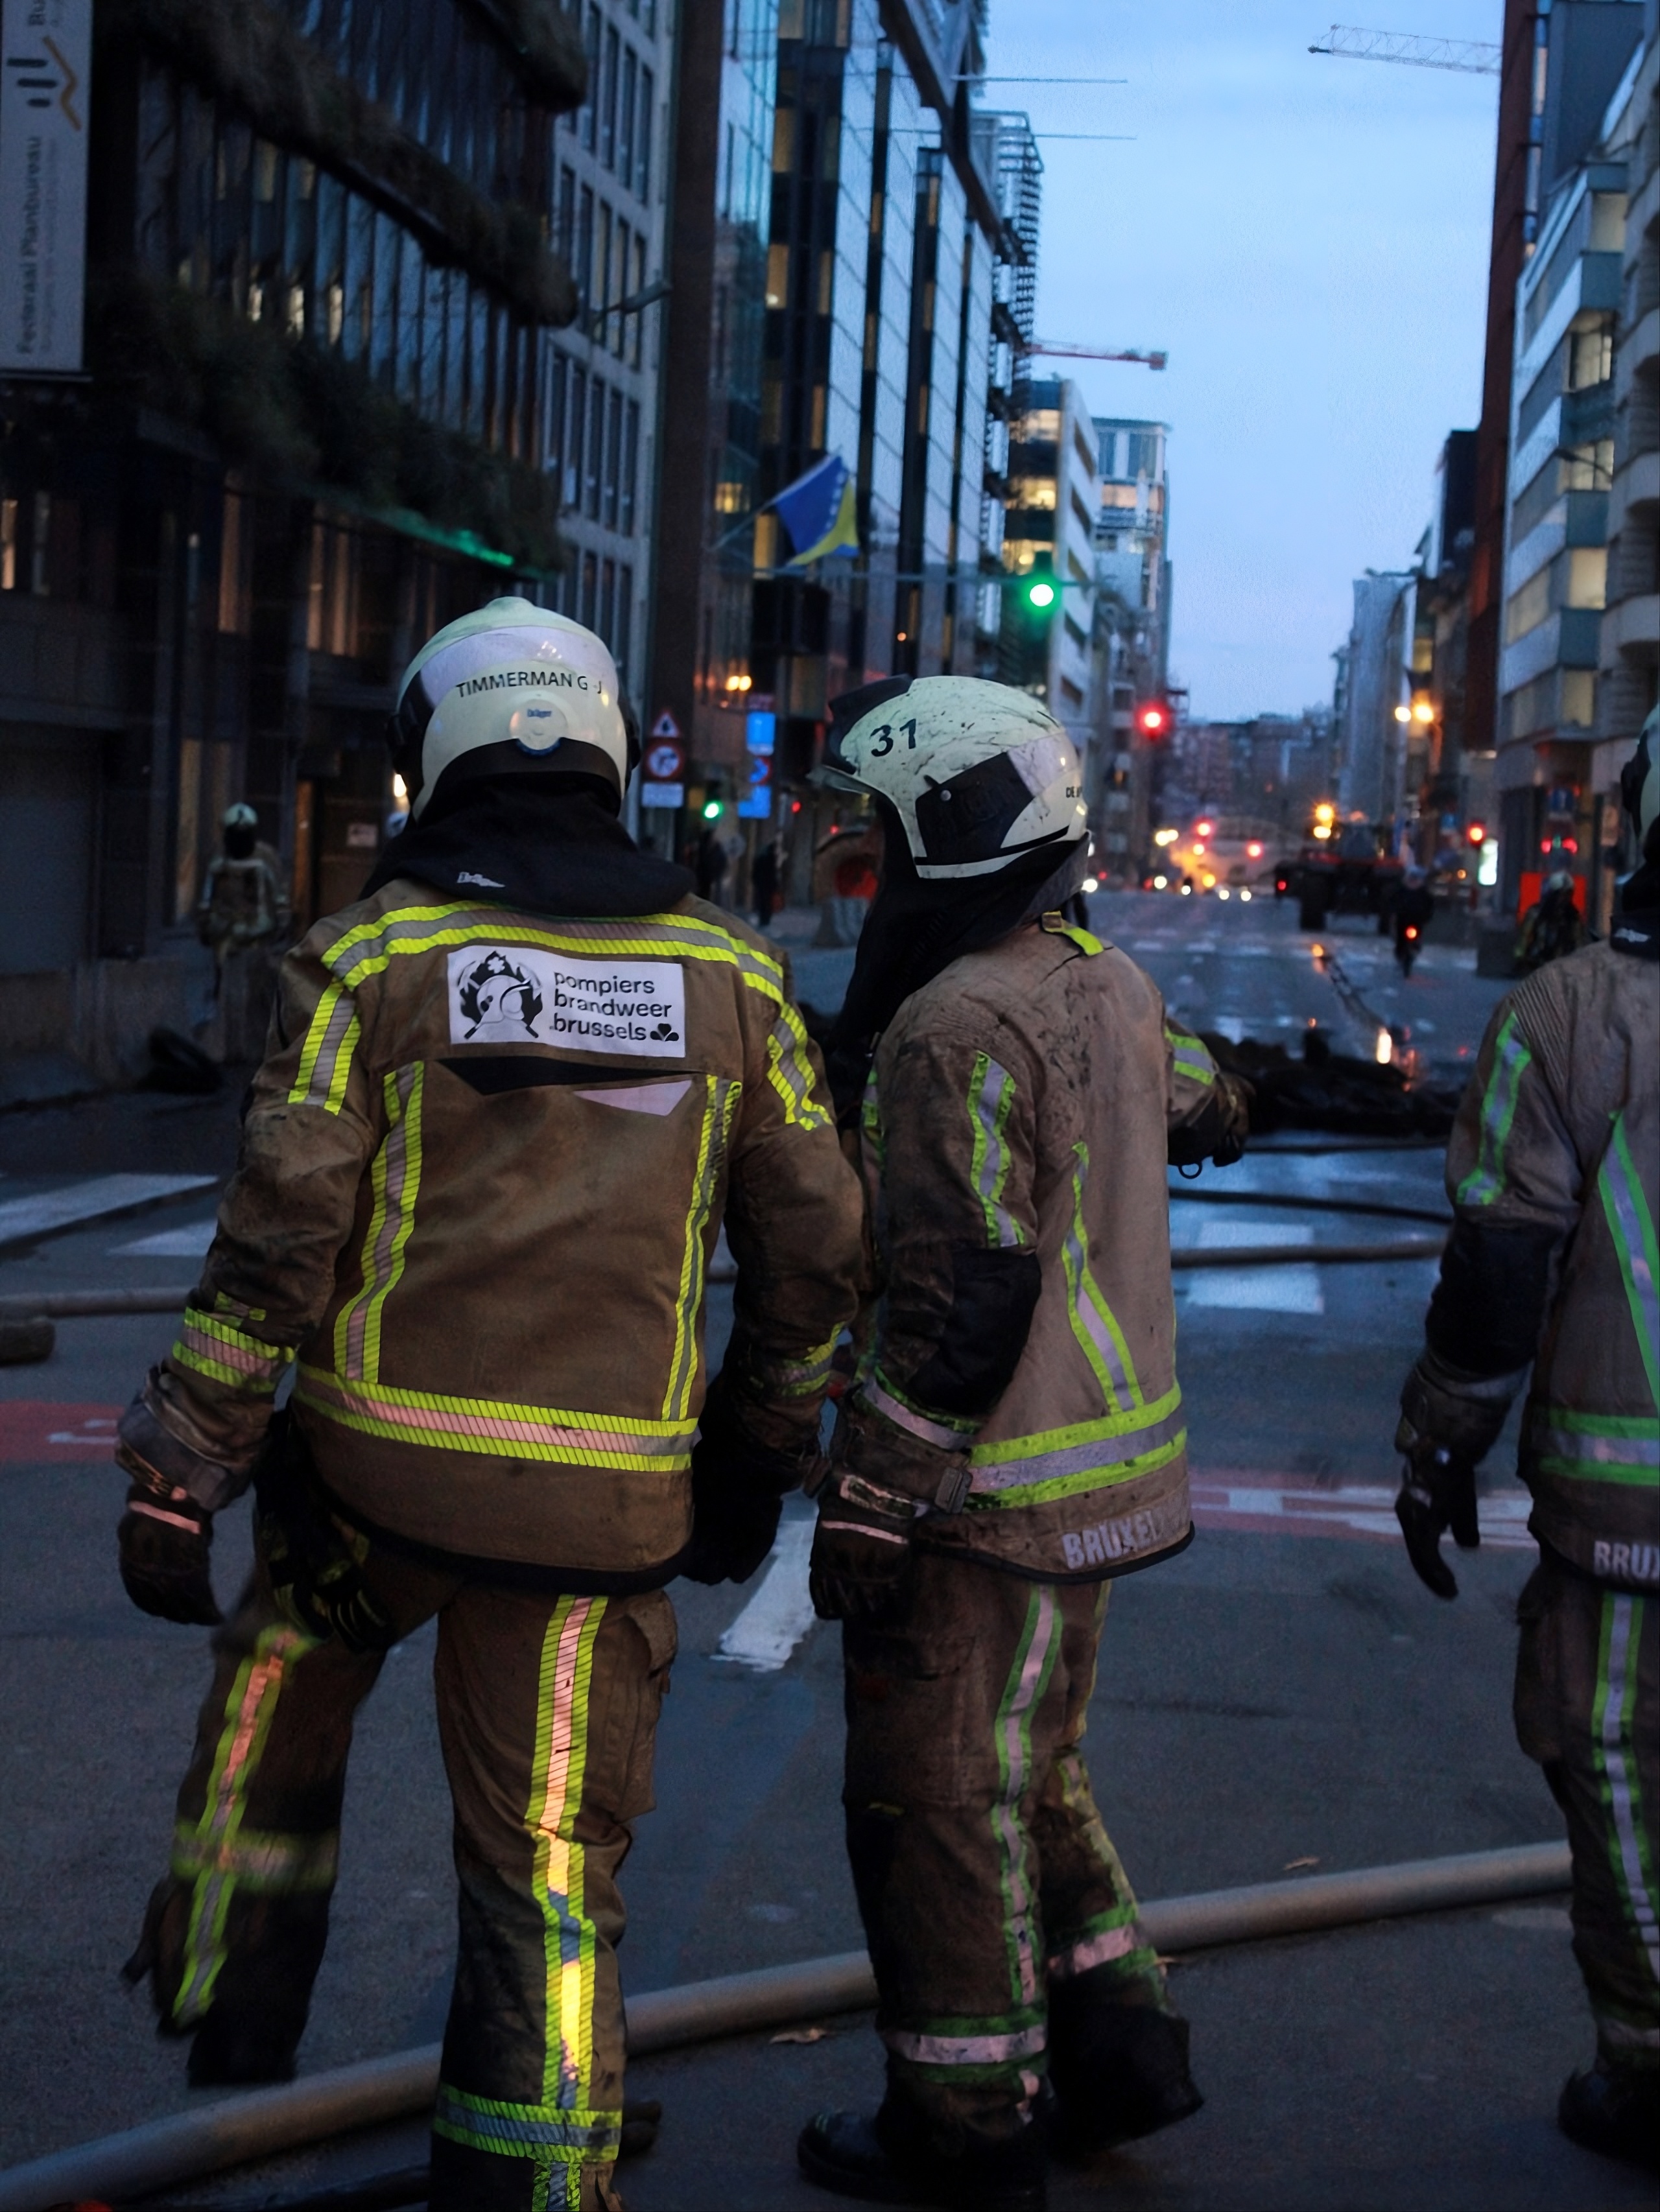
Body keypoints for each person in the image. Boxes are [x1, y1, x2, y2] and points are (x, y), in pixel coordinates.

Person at [114, 598, 864, 2212]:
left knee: (278, 1677)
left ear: (432, 753)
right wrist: (753, 1451)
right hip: (597, 1521)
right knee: (548, 1868)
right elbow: (815, 1251)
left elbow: (277, 1241)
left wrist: (183, 1467)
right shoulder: (732, 977)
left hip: (370, 1489)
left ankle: (228, 1987)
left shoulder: (373, 958)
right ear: (606, 752)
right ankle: (537, 2170)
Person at [793, 676, 1253, 2212]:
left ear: (949, 830)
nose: (863, 868)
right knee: (1032, 1768)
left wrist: (873, 1492)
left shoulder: (950, 1023)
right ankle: (1120, 2048)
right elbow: (1207, 1103)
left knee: (931, 1797)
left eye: (877, 837)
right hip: (1098, 1477)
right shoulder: (1100, 982)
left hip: (983, 1493)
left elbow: (959, 1290)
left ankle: (965, 2119)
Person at [1393, 704, 1659, 2174]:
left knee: (1611, 1751)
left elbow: (1500, 1266)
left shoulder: (1571, 1014)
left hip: (1631, 1510)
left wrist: (1440, 1444)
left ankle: (1651, 2064)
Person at [196, 802, 290, 1060]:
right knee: (224, 993)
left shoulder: (265, 858)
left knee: (256, 995)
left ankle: (254, 1047)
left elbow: (279, 896)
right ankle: (224, 1046)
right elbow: (207, 895)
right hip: (225, 937)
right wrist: (206, 924)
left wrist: (281, 926)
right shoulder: (219, 858)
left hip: (258, 937)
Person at [1515, 866, 1590, 972]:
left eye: (1568, 895)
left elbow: (1579, 942)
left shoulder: (1573, 917)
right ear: (1552, 895)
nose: (1564, 899)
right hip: (1536, 966)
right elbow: (1524, 939)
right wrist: (1521, 959)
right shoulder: (1536, 914)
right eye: (1561, 895)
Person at [1392, 863, 1434, 978]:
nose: (1413, 881)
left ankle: (1412, 950)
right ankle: (1402, 955)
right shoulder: (1402, 891)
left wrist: (1426, 917)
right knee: (1401, 939)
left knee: (1415, 939)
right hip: (1403, 920)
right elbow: (1393, 902)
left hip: (1416, 920)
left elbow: (1429, 906)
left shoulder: (1423, 893)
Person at [752, 837, 781, 931]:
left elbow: (755, 873)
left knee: (763, 904)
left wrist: (756, 882)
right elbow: (773, 874)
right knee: (767, 905)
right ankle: (765, 920)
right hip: (768, 886)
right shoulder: (771, 860)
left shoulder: (760, 859)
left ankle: (763, 920)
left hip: (762, 886)